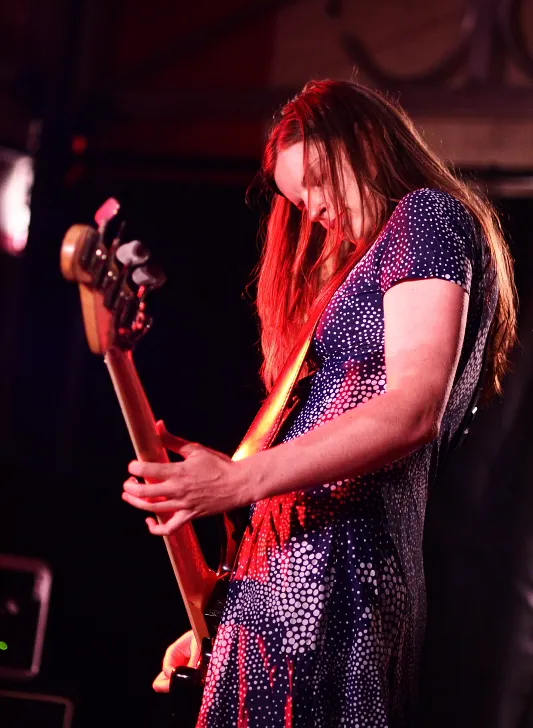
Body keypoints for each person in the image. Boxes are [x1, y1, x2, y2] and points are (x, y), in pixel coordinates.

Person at [121, 79, 517, 727]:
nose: (315, 209)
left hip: (332, 579)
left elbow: (412, 408)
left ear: (362, 141)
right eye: (299, 201)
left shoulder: (425, 216)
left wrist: (238, 480)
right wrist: (224, 613)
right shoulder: (376, 253)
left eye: (317, 181)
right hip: (288, 589)